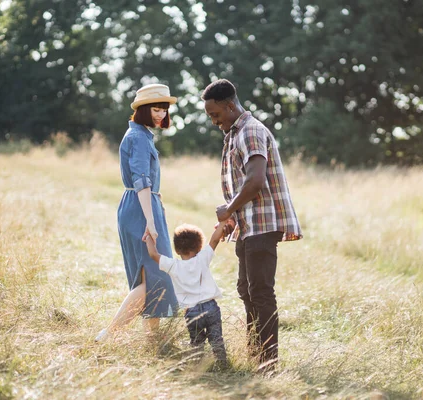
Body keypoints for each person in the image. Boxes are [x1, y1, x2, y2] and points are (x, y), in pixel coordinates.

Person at [201, 79, 303, 372]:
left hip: (262, 225)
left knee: (260, 292)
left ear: (230, 106)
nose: (213, 120)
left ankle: (268, 364)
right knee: (246, 290)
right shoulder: (235, 133)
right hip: (249, 226)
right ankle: (256, 353)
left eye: (215, 114)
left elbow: (255, 181)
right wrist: (234, 215)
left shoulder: (251, 131)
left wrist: (228, 208)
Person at [95, 83, 179, 342]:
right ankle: (108, 335)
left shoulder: (140, 135)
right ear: (142, 109)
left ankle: (152, 340)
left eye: (164, 110)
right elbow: (142, 180)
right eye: (156, 109)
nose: (161, 115)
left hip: (141, 205)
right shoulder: (139, 138)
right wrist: (151, 221)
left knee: (151, 275)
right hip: (141, 209)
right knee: (154, 275)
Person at [144, 221, 229, 368]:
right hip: (211, 308)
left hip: (191, 312)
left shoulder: (172, 265)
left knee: (196, 342)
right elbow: (215, 239)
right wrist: (222, 222)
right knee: (217, 339)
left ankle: (197, 365)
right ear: (199, 246)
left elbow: (153, 253)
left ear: (177, 250)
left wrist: (148, 236)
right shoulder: (202, 259)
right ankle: (222, 364)